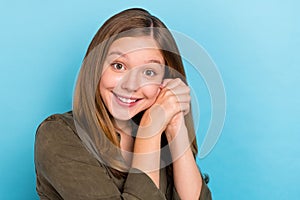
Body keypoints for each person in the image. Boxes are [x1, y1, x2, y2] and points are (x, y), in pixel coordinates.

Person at [34, 8, 212, 200]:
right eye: (119, 66)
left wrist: (175, 124)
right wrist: (149, 131)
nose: (130, 85)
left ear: (165, 81)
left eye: (149, 72)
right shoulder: (58, 134)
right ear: (95, 68)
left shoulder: (163, 139)